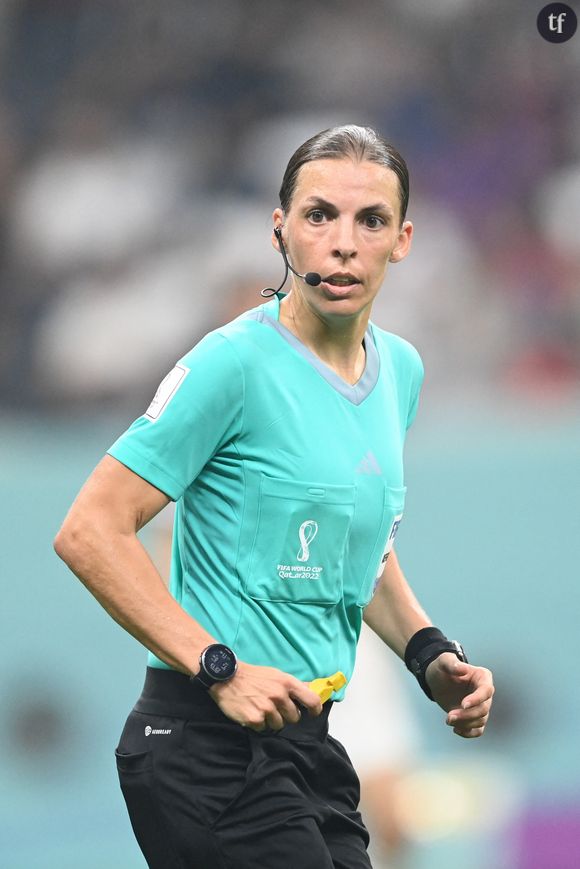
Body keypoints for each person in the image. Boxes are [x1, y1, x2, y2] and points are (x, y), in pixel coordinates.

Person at [54, 124, 494, 869]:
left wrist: (427, 652)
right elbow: (90, 529)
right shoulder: (231, 363)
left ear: (404, 240)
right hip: (201, 747)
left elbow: (361, 541)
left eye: (371, 220)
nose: (344, 242)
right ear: (280, 229)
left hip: (312, 750)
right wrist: (217, 666)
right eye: (319, 215)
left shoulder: (402, 372)